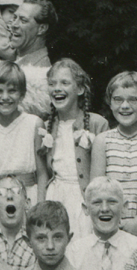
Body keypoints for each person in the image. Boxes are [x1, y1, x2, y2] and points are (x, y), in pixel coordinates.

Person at [90, 71, 137, 235]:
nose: (124, 106)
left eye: (133, 99)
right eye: (118, 99)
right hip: (109, 220)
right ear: (110, 103)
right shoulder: (102, 140)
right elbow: (96, 188)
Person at [40, 59, 108, 240]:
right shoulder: (46, 127)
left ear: (80, 89)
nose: (57, 88)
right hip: (56, 196)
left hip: (83, 199)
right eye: (52, 84)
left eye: (64, 83)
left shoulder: (97, 123)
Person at [0, 62, 47, 213]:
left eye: (12, 91)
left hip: (28, 199)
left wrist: (40, 207)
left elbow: (42, 173)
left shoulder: (34, 124)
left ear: (22, 94)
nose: (5, 97)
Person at [7, 0, 57, 115]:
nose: (14, 25)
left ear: (42, 29)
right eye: (14, 18)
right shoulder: (12, 60)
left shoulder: (41, 76)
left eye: (23, 20)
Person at [0, 175, 35, 270]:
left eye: (17, 191)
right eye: (1, 193)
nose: (9, 196)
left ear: (27, 203)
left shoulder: (35, 240)